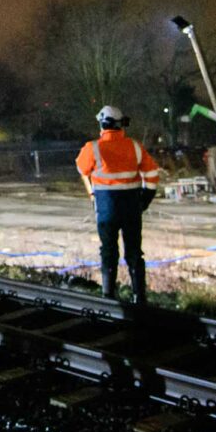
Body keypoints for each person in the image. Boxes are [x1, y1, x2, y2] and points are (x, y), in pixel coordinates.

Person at [75, 105, 159, 305]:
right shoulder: (135, 147)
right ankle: (139, 296)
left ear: (103, 124)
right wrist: (144, 200)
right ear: (122, 124)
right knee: (134, 252)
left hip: (106, 208)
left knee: (108, 250)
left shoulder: (93, 148)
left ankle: (108, 295)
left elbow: (81, 168)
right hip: (132, 207)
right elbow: (152, 174)